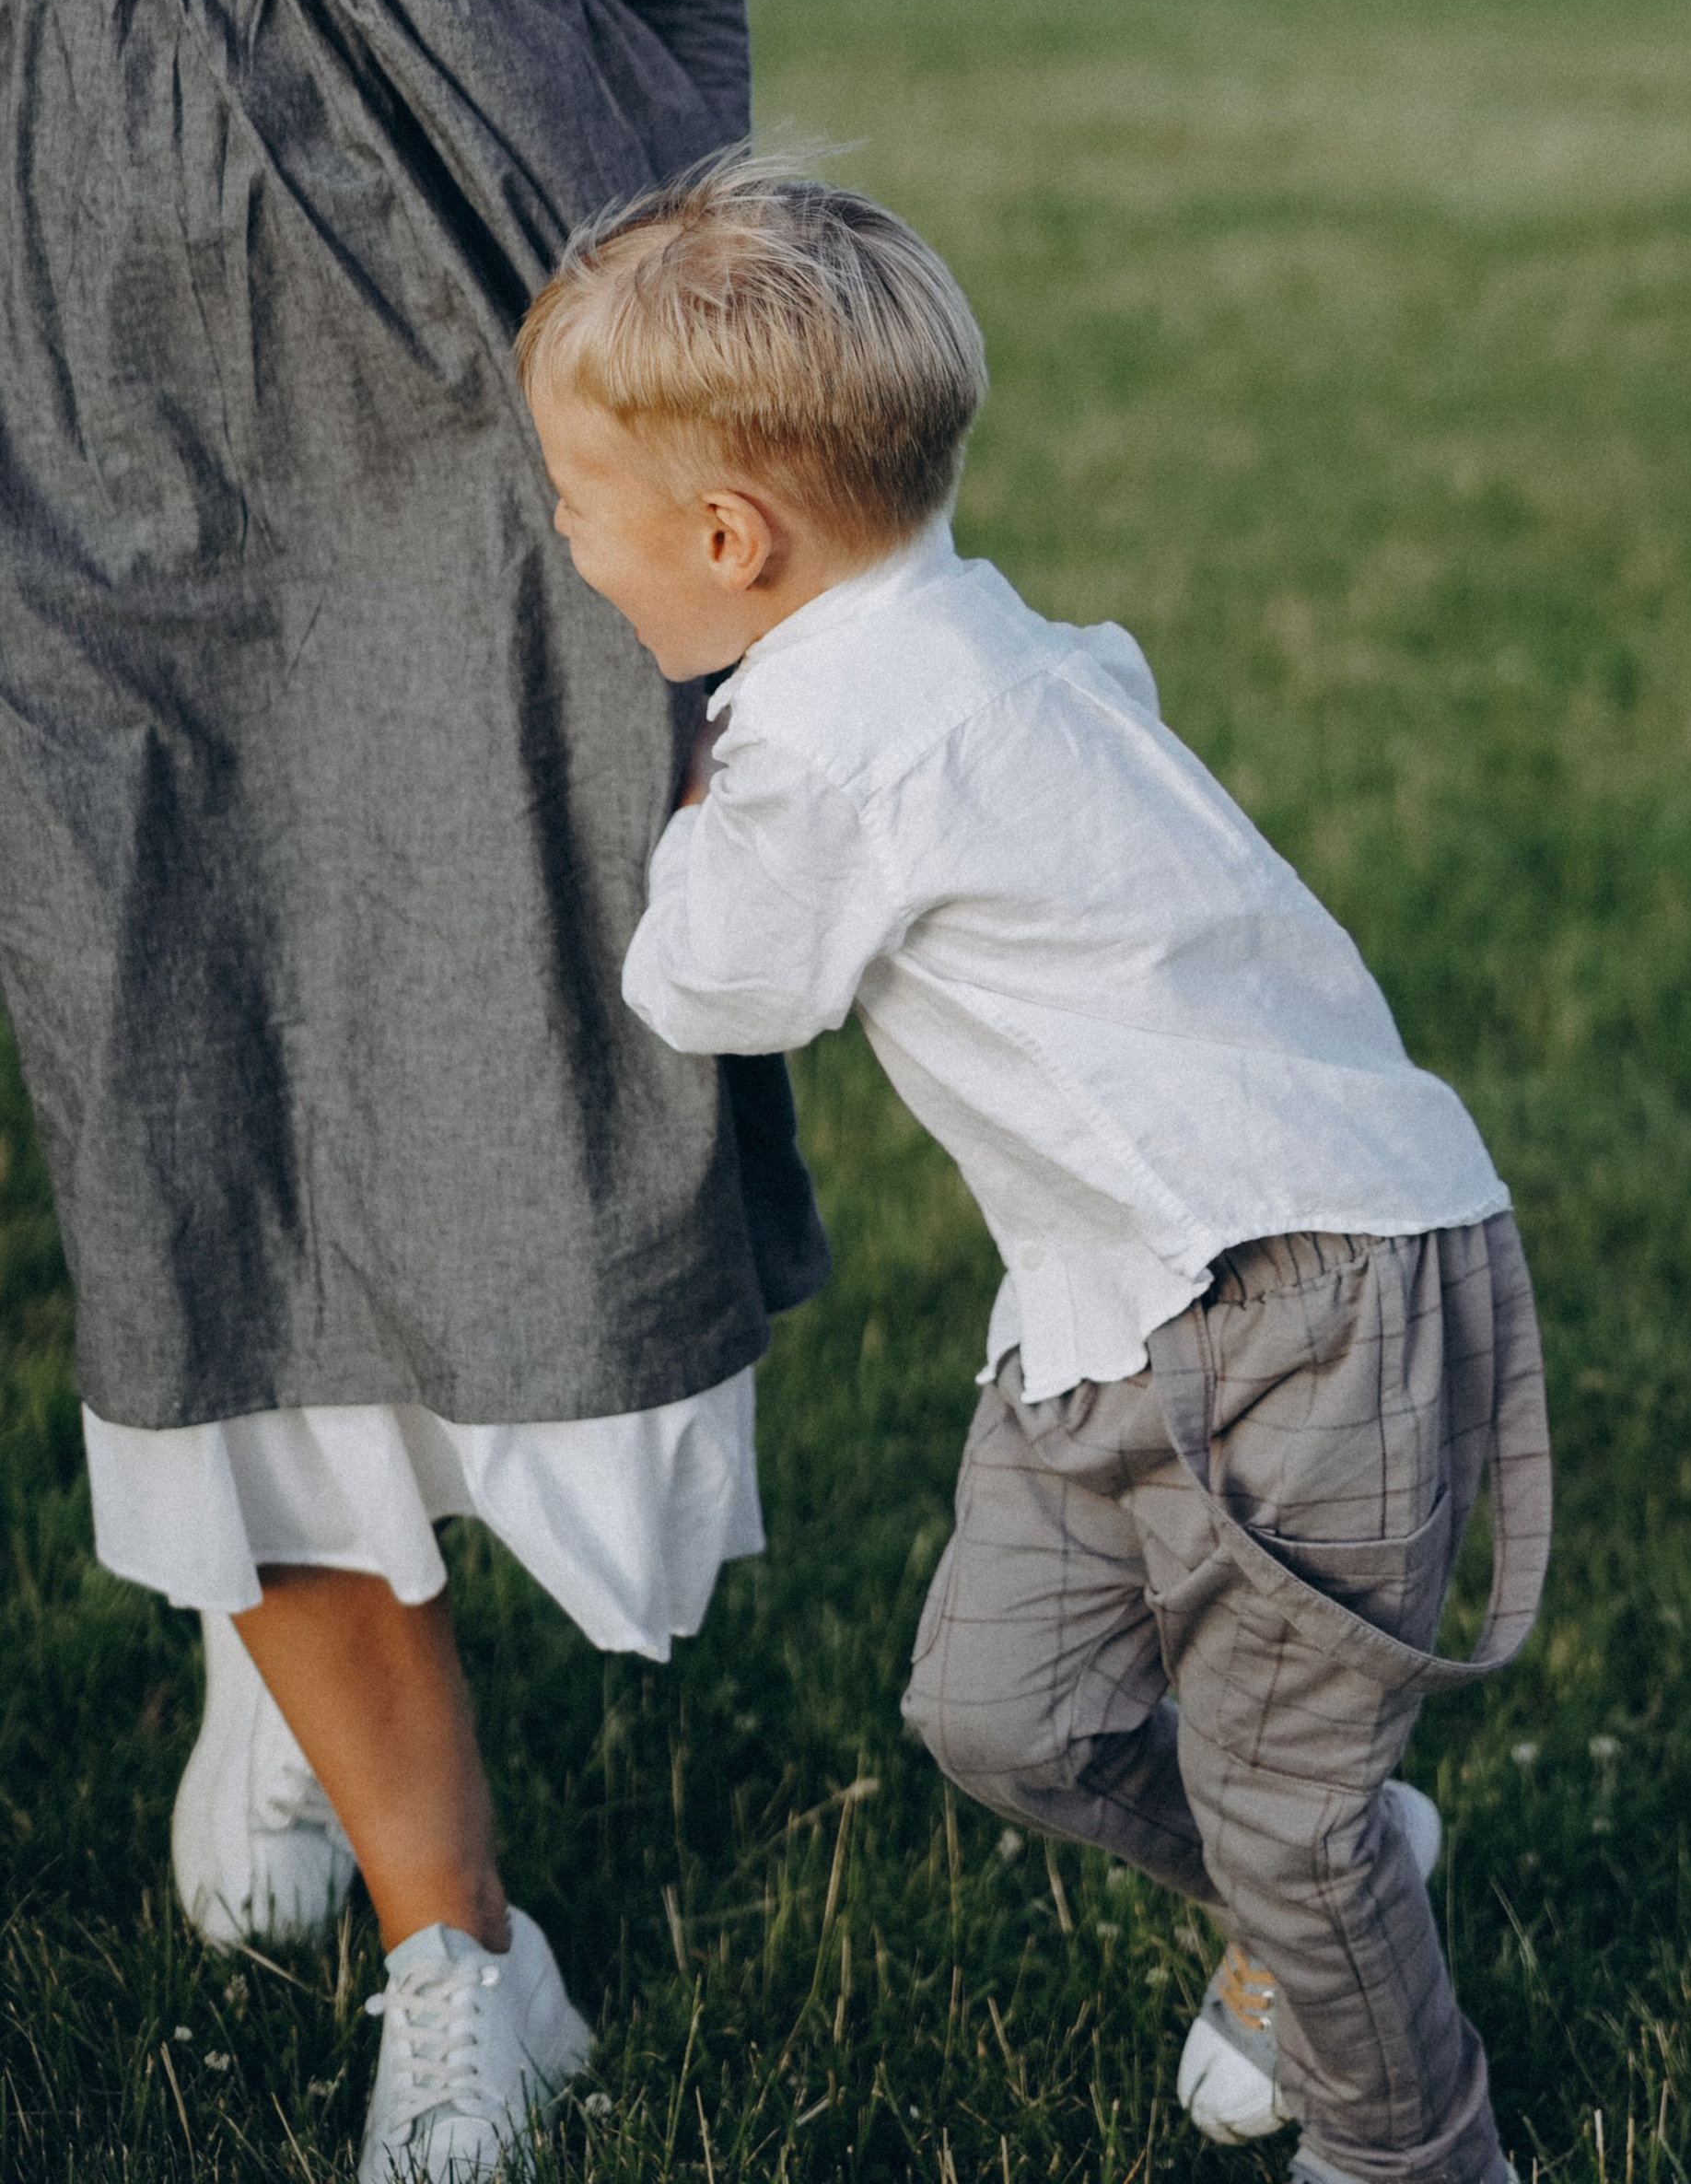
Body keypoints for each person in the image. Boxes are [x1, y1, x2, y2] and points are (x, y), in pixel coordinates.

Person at [0, 0, 851, 2171]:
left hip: (511, 337)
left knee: (526, 1079)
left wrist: (706, 339)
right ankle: (455, 1944)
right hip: (82, 347)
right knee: (179, 1044)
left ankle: (290, 1624)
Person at [515, 159, 1555, 2184]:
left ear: (727, 538)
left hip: (1302, 1284)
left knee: (1279, 1803)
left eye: (575, 503)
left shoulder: (832, 747)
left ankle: (1410, 2139)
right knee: (1001, 1714)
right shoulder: (966, 634)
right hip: (1111, 1296)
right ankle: (1324, 1890)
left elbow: (712, 986)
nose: (562, 534)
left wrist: (691, 796)